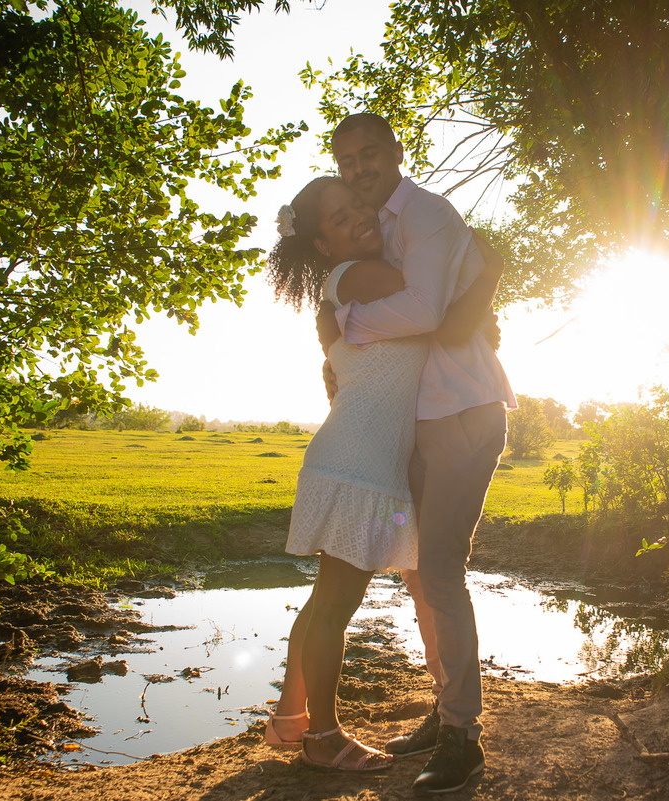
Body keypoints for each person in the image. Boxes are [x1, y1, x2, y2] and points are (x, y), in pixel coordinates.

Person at [261, 175, 504, 773]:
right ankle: (323, 739)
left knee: (324, 603)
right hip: (360, 462)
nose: (360, 218)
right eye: (340, 219)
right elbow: (438, 307)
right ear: (323, 243)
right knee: (334, 608)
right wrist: (486, 280)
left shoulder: (341, 284)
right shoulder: (362, 276)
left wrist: (477, 317)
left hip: (356, 455)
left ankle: (292, 721)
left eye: (358, 207)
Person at [316, 112, 515, 795]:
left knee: (441, 570)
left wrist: (355, 326)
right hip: (416, 421)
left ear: (397, 153)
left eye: (371, 152)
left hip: (461, 410)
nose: (360, 166)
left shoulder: (426, 213)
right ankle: (445, 709)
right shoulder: (369, 232)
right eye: (347, 159)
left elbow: (429, 314)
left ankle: (464, 738)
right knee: (420, 575)